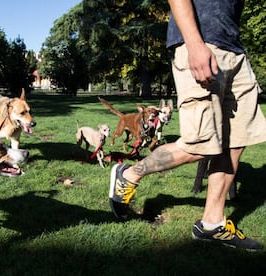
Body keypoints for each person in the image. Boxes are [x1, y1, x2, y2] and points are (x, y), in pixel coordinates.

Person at [109, 0, 266, 251]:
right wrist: (194, 44)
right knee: (200, 144)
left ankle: (211, 223)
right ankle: (128, 174)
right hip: (203, 44)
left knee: (236, 141)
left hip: (235, 49)